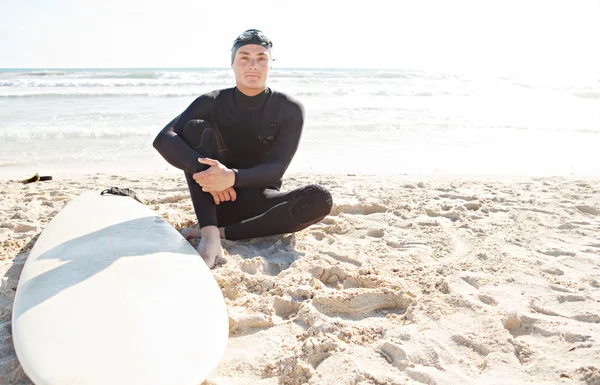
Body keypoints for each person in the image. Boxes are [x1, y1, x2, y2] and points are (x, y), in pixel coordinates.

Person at [153, 29, 333, 268]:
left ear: (270, 64)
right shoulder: (212, 101)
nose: (253, 65)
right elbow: (164, 139)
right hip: (214, 202)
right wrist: (211, 177)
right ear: (233, 63)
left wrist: (231, 177)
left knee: (319, 199)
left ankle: (224, 233)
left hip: (262, 206)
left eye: (261, 58)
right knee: (194, 127)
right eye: (244, 57)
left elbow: (276, 169)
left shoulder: (289, 108)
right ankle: (208, 233)